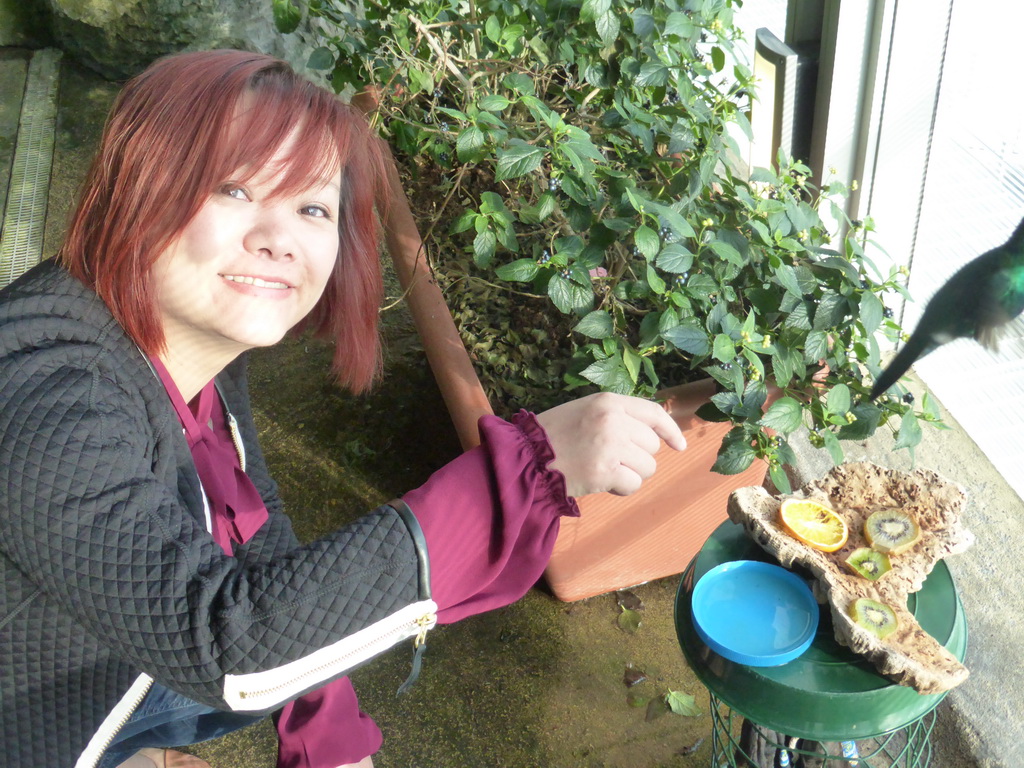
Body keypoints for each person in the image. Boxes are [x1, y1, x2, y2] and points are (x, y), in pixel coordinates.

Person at [0, 50, 686, 768]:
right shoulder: (44, 392)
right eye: (233, 190)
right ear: (138, 188)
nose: (280, 239)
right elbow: (223, 641)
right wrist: (523, 471)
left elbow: (252, 524)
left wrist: (325, 734)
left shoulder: (185, 341)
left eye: (312, 207)